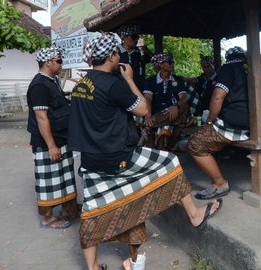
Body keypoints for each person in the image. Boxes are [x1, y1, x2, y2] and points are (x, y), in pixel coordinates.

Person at [68, 32, 221, 270]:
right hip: (118, 157)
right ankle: (194, 214)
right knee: (170, 161)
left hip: (90, 159)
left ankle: (93, 267)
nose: (119, 55)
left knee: (91, 210)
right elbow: (142, 109)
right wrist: (129, 80)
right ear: (111, 56)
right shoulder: (113, 84)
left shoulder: (80, 85)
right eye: (117, 52)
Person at [188, 46, 250, 200]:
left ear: (227, 58)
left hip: (234, 125)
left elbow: (217, 97)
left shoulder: (228, 69)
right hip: (252, 122)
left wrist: (209, 121)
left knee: (195, 143)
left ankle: (219, 183)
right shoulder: (250, 70)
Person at [26, 47, 77, 229]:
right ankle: (48, 217)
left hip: (61, 138)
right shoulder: (40, 84)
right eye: (59, 60)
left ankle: (67, 209)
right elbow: (41, 117)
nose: (62, 63)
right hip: (49, 142)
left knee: (63, 176)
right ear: (48, 62)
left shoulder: (52, 80)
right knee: (49, 179)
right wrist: (51, 146)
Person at [142, 53, 191, 150]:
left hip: (174, 112)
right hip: (158, 113)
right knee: (162, 140)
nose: (173, 64)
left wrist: (175, 106)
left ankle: (149, 125)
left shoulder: (178, 79)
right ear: (160, 64)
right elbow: (147, 99)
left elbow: (183, 97)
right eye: (169, 62)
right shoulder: (150, 81)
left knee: (184, 106)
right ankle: (152, 128)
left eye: (173, 62)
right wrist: (148, 116)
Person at [116, 24, 152, 89]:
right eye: (134, 37)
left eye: (138, 37)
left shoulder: (139, 52)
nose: (136, 40)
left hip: (139, 89)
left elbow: (154, 60)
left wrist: (145, 49)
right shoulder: (115, 53)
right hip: (121, 89)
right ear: (124, 37)